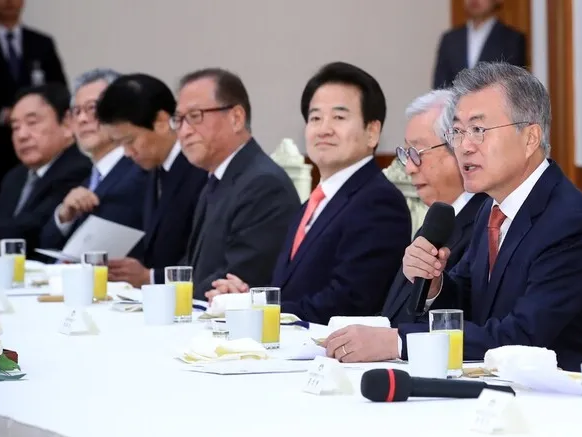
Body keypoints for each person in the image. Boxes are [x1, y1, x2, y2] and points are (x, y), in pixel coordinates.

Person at [323, 62, 582, 372]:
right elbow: (470, 303)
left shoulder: (571, 223)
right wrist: (436, 283)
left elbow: (520, 337)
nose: (464, 147)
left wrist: (398, 342)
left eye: (479, 130)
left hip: (562, 403)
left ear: (530, 137)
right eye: (457, 131)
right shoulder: (491, 210)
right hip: (495, 390)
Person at [203, 62, 410, 324]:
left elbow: (350, 302)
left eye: (339, 117)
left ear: (372, 132)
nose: (324, 129)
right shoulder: (314, 202)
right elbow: (293, 289)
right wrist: (248, 296)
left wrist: (255, 306)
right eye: (315, 118)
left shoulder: (379, 202)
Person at [174, 68, 300, 298]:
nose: (183, 131)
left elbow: (240, 277)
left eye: (195, 116)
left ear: (236, 118)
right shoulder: (217, 179)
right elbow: (198, 268)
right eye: (179, 120)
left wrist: (174, 297)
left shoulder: (264, 185)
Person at [380, 89, 488, 325]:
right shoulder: (437, 223)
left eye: (417, 153)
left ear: (459, 148)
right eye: (406, 154)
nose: (409, 168)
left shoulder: (487, 222)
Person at [96, 73, 207, 288]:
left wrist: (151, 277)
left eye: (130, 141)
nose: (127, 152)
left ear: (161, 122)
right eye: (119, 144)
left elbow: (203, 257)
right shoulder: (151, 168)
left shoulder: (198, 169)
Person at [39, 69, 147, 256]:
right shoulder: (89, 178)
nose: (82, 119)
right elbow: (45, 244)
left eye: (92, 108)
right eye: (77, 111)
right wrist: (64, 216)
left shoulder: (140, 169)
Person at [0, 84, 90, 259]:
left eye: (32, 123)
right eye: (15, 127)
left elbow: (29, 231)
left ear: (67, 125)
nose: (22, 135)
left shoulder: (79, 170)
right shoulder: (14, 177)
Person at [0, 0, 68, 193]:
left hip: (39, 144)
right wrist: (4, 114)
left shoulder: (41, 43)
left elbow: (59, 90)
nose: (9, 1)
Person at [432, 0, 526, 89]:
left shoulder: (512, 39)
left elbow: (512, 86)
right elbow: (440, 86)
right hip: (454, 104)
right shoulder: (450, 39)